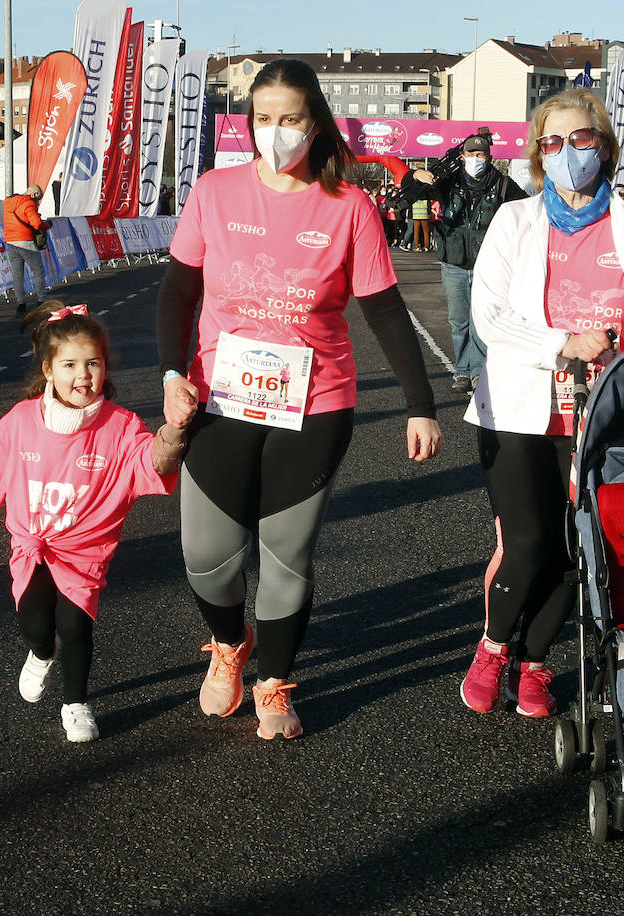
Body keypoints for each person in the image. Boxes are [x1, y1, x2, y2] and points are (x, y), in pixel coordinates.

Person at [156, 58, 442, 740]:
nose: (276, 132)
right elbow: (178, 291)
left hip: (314, 403)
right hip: (219, 399)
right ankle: (231, 643)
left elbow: (385, 309)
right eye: (263, 119)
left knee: (286, 554)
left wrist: (419, 403)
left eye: (290, 119)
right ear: (248, 123)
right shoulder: (215, 192)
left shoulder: (348, 206)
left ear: (315, 124)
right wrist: (171, 374)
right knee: (208, 558)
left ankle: (276, 683)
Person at [459, 88, 624, 718]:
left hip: (608, 414)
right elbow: (489, 317)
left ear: (603, 147)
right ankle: (493, 647)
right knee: (527, 542)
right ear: (538, 155)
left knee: (577, 548)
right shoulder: (515, 221)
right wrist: (563, 343)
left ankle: (533, 663)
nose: (567, 153)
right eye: (552, 143)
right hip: (520, 410)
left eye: (580, 139)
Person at [0, 301, 186, 742]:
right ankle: (39, 653)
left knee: (74, 627)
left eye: (93, 362)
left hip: (86, 554)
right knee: (35, 623)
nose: (83, 375)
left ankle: (76, 704)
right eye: (70, 364)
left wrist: (174, 434)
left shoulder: (120, 425)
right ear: (49, 370)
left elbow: (152, 462)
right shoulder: (21, 421)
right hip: (31, 548)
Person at [408, 133, 528, 393]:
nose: (476, 159)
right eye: (471, 154)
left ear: (489, 157)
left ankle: (479, 372)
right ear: (462, 157)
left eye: (481, 154)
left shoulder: (506, 186)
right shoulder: (447, 183)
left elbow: (525, 214)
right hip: (454, 263)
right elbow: (412, 192)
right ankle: (462, 371)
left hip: (490, 265)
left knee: (483, 319)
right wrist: (416, 174)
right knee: (458, 320)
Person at [4, 184, 52, 316]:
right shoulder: (28, 204)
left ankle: (21, 303)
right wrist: (47, 225)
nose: (37, 203)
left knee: (18, 275)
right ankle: (41, 300)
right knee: (38, 271)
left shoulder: (8, 203)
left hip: (10, 241)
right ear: (34, 194)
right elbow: (36, 223)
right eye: (38, 199)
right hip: (25, 241)